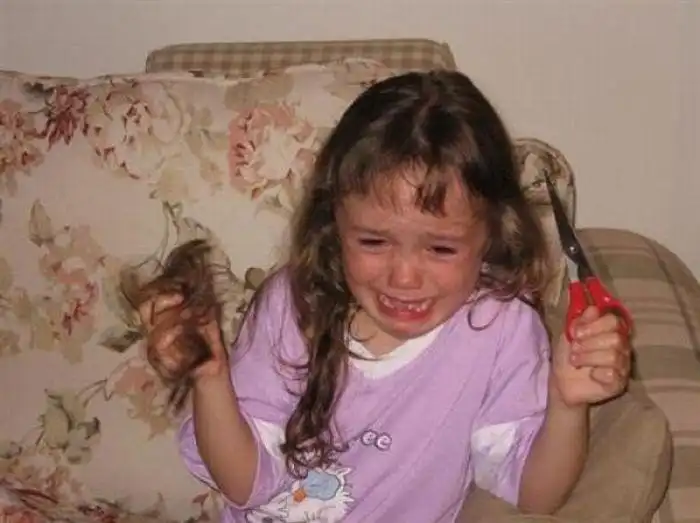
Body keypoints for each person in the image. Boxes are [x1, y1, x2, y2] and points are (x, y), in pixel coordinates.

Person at [136, 70, 631, 523]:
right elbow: (244, 485)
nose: (404, 277)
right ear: (334, 225)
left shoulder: (501, 329)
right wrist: (209, 377)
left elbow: (534, 497)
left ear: (493, 235)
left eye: (441, 248)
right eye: (373, 242)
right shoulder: (293, 304)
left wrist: (567, 405)